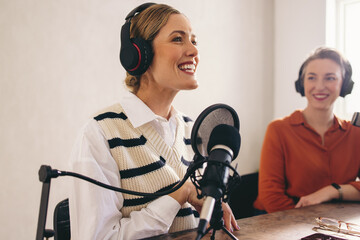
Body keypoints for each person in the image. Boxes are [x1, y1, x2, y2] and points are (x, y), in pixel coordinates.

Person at [68, 3, 239, 239]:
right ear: (139, 54)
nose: (193, 51)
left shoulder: (193, 133)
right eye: (178, 39)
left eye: (194, 41)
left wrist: (214, 214)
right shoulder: (100, 134)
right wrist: (179, 195)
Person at [253, 47, 360, 213]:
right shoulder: (278, 130)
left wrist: (331, 191)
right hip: (279, 222)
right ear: (302, 84)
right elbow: (271, 198)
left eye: (330, 78)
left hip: (330, 224)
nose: (319, 86)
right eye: (312, 78)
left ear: (344, 85)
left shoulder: (355, 133)